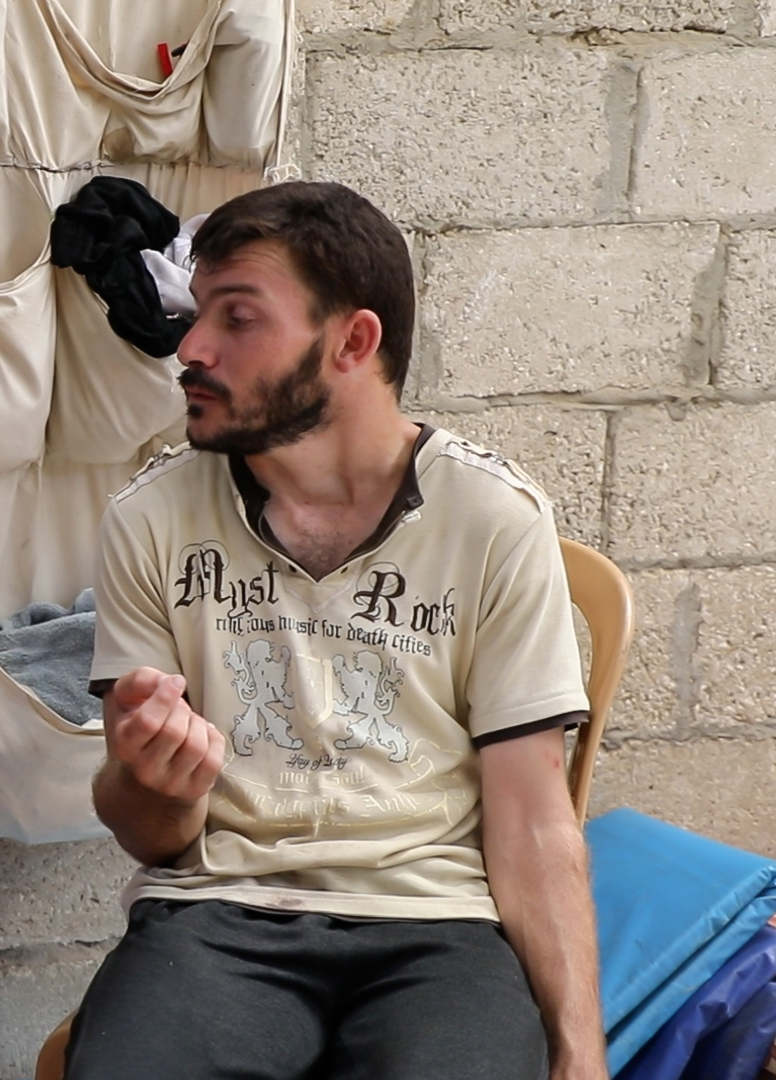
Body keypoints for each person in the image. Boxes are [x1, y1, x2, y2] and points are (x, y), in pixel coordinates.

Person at [70, 182, 603, 1080]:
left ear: (354, 341)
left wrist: (582, 1054)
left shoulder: (492, 518)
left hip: (438, 931)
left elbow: (533, 819)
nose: (191, 348)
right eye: (198, 313)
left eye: (237, 319)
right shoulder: (150, 516)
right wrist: (155, 781)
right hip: (214, 917)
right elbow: (149, 834)